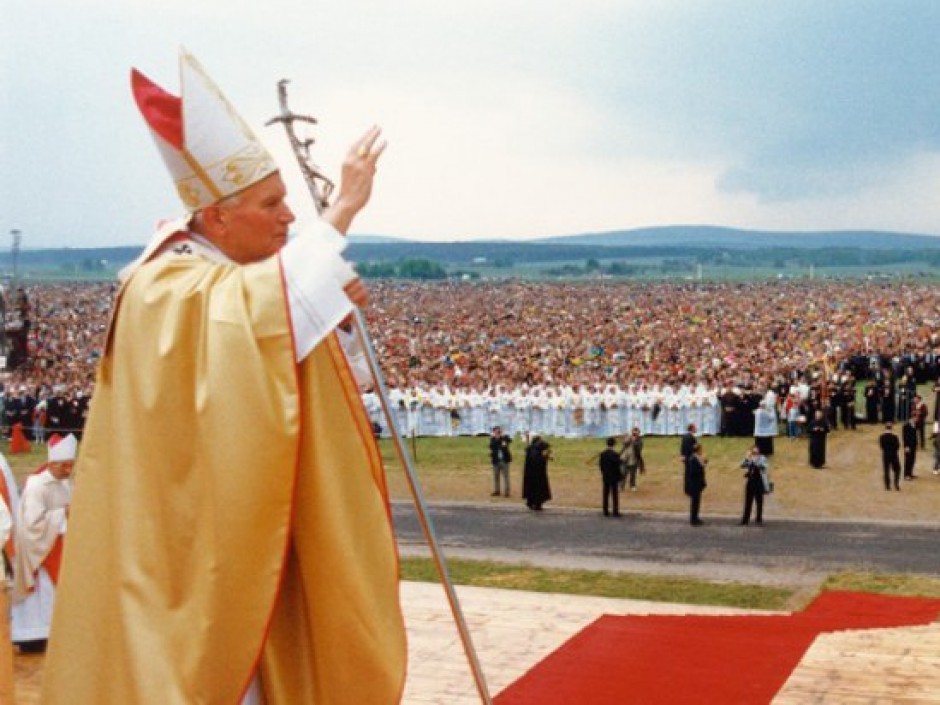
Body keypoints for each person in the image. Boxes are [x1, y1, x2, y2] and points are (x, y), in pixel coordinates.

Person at [42, 50, 405, 704]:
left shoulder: (232, 279)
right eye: (271, 204)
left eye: (289, 205)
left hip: (238, 526)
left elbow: (279, 335)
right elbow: (254, 325)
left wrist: (337, 321)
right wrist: (342, 210)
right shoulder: (163, 284)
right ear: (215, 215)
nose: (288, 218)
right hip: (187, 552)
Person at [11, 434, 77, 653]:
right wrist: (63, 514)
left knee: (55, 596)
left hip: (59, 546)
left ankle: (52, 632)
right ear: (51, 463)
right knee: (40, 596)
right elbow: (32, 524)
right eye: (65, 466)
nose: (68, 471)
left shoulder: (66, 482)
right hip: (39, 551)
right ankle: (31, 635)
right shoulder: (37, 486)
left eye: (71, 465)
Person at [739, 445, 767, 526]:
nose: (754, 454)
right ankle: (745, 520)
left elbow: (764, 466)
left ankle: (758, 519)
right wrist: (746, 458)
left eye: (756, 452)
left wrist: (754, 461)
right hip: (750, 482)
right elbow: (742, 465)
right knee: (748, 501)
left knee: (759, 501)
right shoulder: (749, 458)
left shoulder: (762, 458)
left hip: (759, 481)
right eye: (753, 452)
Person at [522, 435, 553, 511]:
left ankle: (531, 502)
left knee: (532, 489)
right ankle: (536, 504)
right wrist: (545, 456)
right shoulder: (534, 450)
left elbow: (546, 446)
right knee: (538, 490)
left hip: (531, 474)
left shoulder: (531, 449)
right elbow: (537, 461)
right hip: (537, 475)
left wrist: (546, 456)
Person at [598, 437, 622, 517]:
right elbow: (618, 466)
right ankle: (615, 511)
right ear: (614, 444)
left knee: (605, 493)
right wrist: (620, 476)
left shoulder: (603, 454)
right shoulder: (615, 455)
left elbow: (601, 466)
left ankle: (605, 510)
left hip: (606, 476)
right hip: (614, 477)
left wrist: (603, 473)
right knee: (614, 494)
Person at [684, 442, 707, 526]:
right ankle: (693, 519)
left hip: (698, 483)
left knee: (697, 502)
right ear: (697, 450)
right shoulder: (693, 459)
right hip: (694, 484)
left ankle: (696, 517)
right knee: (694, 502)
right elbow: (694, 471)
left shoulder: (697, 458)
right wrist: (702, 466)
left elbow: (703, 464)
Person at [488, 425, 512, 497]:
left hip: (504, 460)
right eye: (496, 431)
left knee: (506, 476)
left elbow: (510, 440)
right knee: (496, 476)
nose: (497, 432)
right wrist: (497, 438)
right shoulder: (492, 439)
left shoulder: (504, 438)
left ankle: (507, 492)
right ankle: (497, 490)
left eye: (498, 431)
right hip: (496, 460)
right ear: (494, 432)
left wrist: (502, 436)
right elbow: (491, 446)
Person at [619, 427, 643, 492]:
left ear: (639, 433)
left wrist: (634, 441)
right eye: (634, 432)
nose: (635, 433)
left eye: (636, 432)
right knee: (623, 473)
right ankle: (621, 486)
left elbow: (639, 449)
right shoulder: (628, 438)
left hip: (633, 459)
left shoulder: (640, 440)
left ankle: (632, 485)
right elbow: (624, 443)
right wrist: (629, 439)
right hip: (625, 459)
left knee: (633, 474)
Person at [879, 423, 901, 491]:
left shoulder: (882, 437)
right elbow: (897, 446)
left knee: (886, 470)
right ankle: (896, 484)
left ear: (885, 428)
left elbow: (881, 446)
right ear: (891, 428)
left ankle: (887, 486)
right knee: (897, 469)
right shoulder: (895, 437)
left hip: (886, 455)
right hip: (894, 455)